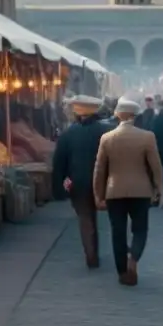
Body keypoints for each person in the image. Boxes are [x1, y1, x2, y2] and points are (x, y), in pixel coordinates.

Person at [93, 98, 163, 286]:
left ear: (117, 115)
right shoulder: (147, 137)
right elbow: (156, 166)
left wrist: (98, 195)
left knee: (118, 232)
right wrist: (159, 189)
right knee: (140, 229)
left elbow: (99, 170)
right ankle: (133, 259)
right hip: (141, 191)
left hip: (114, 191)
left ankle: (123, 272)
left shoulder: (107, 138)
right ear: (136, 116)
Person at [51, 95, 111, 268]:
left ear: (77, 112)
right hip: (105, 182)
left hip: (78, 184)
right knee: (115, 218)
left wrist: (59, 189)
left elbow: (59, 164)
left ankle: (91, 256)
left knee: (86, 219)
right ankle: (122, 255)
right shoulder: (107, 132)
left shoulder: (68, 134)